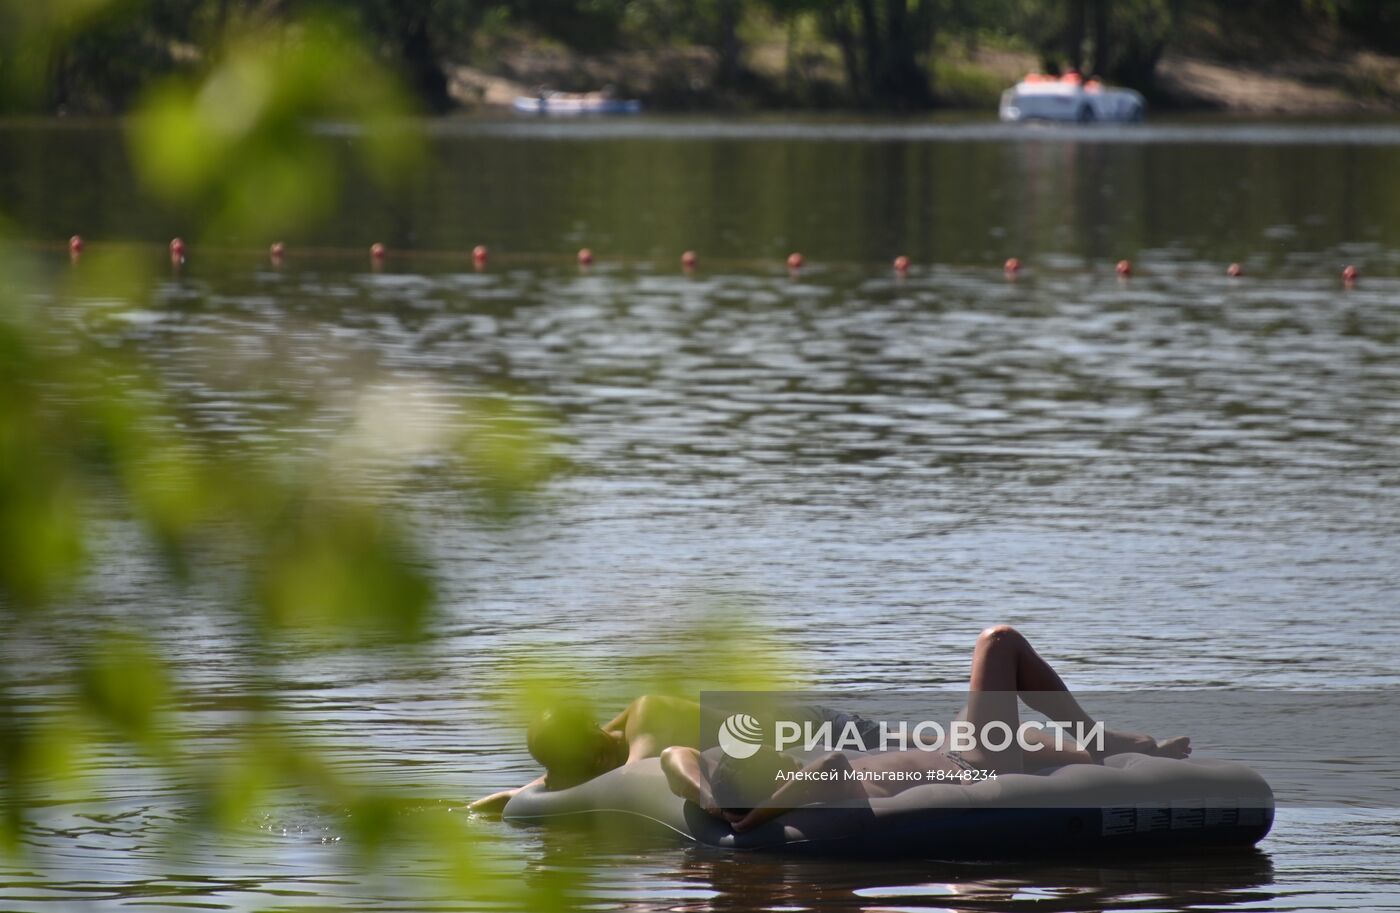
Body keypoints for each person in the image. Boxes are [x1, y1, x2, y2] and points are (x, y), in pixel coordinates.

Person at [660, 624, 1191, 832]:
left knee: (1028, 738)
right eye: (775, 761)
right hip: (975, 766)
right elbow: (830, 762)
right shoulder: (812, 786)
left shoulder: (759, 783)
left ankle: (1113, 747)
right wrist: (753, 816)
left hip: (952, 748)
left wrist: (707, 796)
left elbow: (674, 755)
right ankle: (1101, 740)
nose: (784, 756)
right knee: (998, 643)